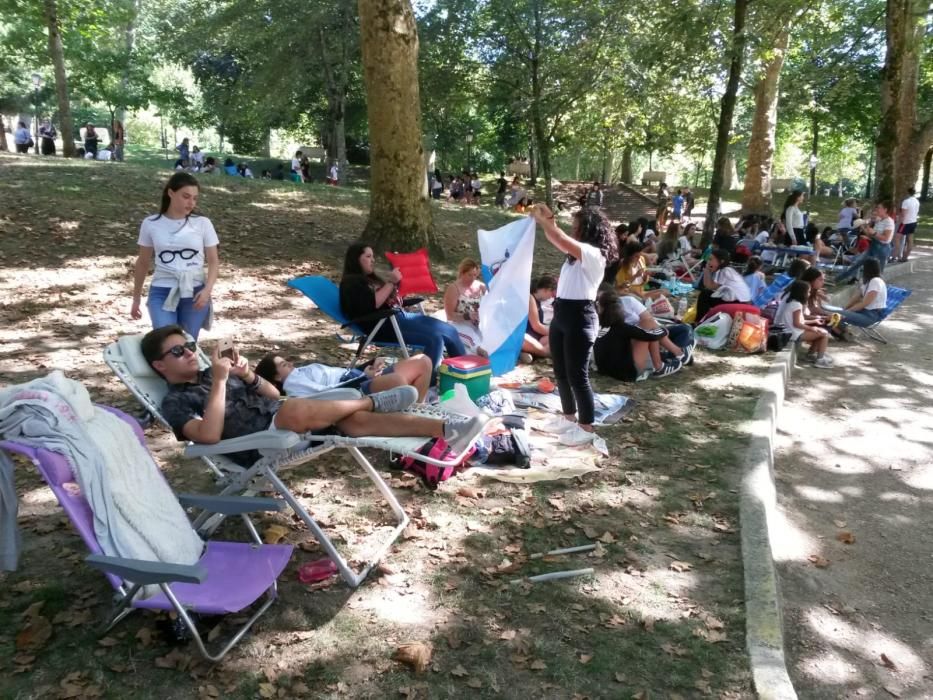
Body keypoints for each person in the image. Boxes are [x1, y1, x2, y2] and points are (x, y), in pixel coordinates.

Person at [141, 326, 485, 466]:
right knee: (293, 413)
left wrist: (246, 374)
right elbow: (208, 436)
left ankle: (446, 431)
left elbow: (273, 393)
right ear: (159, 365)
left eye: (189, 346)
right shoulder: (175, 402)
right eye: (177, 352)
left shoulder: (214, 372)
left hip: (287, 417)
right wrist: (218, 382)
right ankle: (371, 399)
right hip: (258, 443)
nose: (188, 353)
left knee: (354, 422)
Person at [529, 204, 619, 446]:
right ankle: (569, 418)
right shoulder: (573, 257)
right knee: (560, 371)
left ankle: (586, 426)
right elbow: (556, 238)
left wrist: (546, 220)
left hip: (581, 317)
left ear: (587, 229)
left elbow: (559, 236)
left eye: (576, 226)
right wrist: (547, 221)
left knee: (577, 376)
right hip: (562, 315)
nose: (573, 230)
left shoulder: (593, 254)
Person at [339, 242, 467, 374]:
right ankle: (427, 383)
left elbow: (385, 298)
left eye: (373, 256)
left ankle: (467, 373)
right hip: (383, 326)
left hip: (398, 318)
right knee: (435, 339)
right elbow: (373, 304)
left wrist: (397, 290)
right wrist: (391, 282)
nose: (373, 260)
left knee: (450, 330)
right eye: (368, 256)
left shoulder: (369, 278)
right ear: (356, 259)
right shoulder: (351, 283)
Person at [130, 172, 219, 340]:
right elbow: (142, 262)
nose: (191, 203)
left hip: (194, 291)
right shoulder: (151, 223)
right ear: (171, 193)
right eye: (186, 197)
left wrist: (207, 290)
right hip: (162, 290)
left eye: (194, 198)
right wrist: (136, 299)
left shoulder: (202, 223)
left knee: (188, 343)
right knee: (167, 341)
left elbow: (214, 261)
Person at [594, 288, 690, 381]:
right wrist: (663, 331)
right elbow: (651, 335)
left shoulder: (599, 326)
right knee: (649, 327)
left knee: (649, 326)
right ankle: (662, 365)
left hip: (604, 369)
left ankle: (675, 355)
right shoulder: (624, 328)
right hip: (627, 373)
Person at [256, 353, 433, 403]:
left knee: (423, 361)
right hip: (354, 391)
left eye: (287, 361)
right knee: (398, 382)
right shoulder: (294, 383)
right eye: (284, 365)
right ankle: (412, 413)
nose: (290, 364)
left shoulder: (301, 372)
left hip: (362, 378)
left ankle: (418, 408)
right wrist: (364, 376)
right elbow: (327, 393)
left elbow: (341, 374)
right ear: (276, 378)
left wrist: (368, 365)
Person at [774, 281, 833, 368]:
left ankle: (811, 354)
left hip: (791, 331)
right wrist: (812, 328)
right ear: (802, 293)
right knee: (824, 334)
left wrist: (815, 321)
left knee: (820, 332)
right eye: (808, 292)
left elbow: (799, 321)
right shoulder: (797, 305)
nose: (809, 294)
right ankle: (820, 360)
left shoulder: (791, 302)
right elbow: (797, 323)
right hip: (794, 334)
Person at [836, 201, 896, 283]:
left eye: (879, 207)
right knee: (857, 263)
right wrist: (863, 226)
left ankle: (877, 288)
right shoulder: (879, 220)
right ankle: (838, 279)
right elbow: (870, 234)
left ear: (885, 210)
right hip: (873, 246)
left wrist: (873, 233)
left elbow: (886, 238)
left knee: (878, 271)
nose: (877, 209)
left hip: (882, 248)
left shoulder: (889, 222)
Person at [443, 258, 488, 354]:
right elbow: (449, 316)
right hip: (458, 324)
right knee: (471, 336)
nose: (473, 278)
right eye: (469, 275)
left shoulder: (481, 287)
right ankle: (482, 353)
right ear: (462, 273)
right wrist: (467, 316)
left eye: (475, 275)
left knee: (489, 336)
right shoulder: (454, 289)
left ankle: (517, 352)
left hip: (478, 324)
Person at [695, 249, 752, 320]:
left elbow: (710, 286)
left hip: (740, 302)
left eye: (711, 259)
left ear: (721, 261)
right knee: (706, 294)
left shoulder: (725, 271)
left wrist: (707, 271)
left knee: (704, 295)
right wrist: (707, 270)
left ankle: (699, 321)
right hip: (742, 301)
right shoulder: (726, 270)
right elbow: (708, 286)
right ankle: (703, 319)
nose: (708, 262)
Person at [840, 258, 887, 328]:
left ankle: (840, 333)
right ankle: (841, 332)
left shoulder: (876, 281)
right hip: (864, 312)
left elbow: (864, 303)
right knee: (836, 314)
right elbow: (856, 297)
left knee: (837, 315)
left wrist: (847, 312)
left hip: (871, 315)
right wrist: (845, 308)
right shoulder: (868, 282)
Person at [523, 274, 557, 360]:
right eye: (551, 294)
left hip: (536, 337)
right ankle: (543, 352)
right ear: (546, 290)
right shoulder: (530, 298)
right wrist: (555, 333)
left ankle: (532, 352)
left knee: (559, 341)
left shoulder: (538, 301)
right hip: (525, 336)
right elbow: (536, 326)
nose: (551, 297)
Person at [894, 187, 919, 262]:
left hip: (905, 222)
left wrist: (899, 221)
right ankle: (905, 256)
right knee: (910, 240)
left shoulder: (906, 201)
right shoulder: (917, 201)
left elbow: (903, 214)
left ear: (908, 193)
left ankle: (898, 256)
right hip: (913, 222)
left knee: (897, 238)